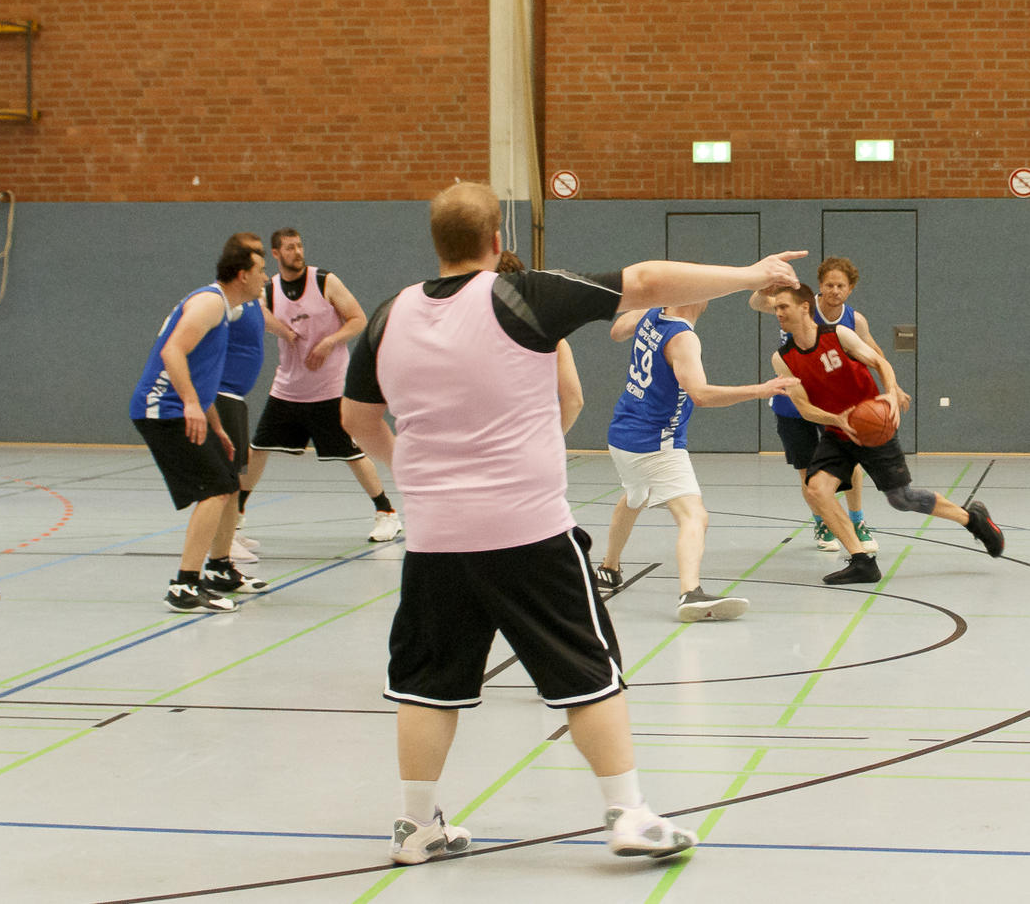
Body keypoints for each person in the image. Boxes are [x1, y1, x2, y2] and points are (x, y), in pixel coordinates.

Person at [341, 181, 805, 866]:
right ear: (496, 241)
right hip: (525, 528)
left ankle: (416, 826)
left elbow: (356, 421)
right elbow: (644, 280)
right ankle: (628, 813)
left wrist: (413, 471)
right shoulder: (518, 294)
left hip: (435, 535)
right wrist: (750, 275)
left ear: (435, 242)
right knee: (588, 670)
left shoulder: (388, 315)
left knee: (427, 681)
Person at [770, 284, 1004, 585]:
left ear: (804, 307)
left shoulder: (838, 335)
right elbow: (803, 408)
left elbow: (880, 362)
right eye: (776, 308)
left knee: (901, 499)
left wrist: (891, 393)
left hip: (872, 427)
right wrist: (835, 420)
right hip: (839, 431)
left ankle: (973, 520)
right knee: (816, 489)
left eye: (783, 307)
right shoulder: (783, 358)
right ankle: (862, 561)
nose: (777, 313)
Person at [597, 301, 799, 621]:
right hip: (656, 442)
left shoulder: (653, 314)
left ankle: (609, 567)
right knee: (695, 516)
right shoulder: (683, 338)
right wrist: (761, 390)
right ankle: (690, 592)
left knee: (635, 496)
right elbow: (701, 395)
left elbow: (616, 330)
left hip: (622, 435)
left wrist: (649, 313)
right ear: (696, 297)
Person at [129, 238, 269, 613]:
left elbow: (202, 373)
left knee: (227, 479)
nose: (266, 279)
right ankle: (184, 587)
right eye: (261, 271)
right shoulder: (209, 302)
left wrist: (215, 424)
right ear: (242, 275)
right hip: (163, 410)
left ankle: (220, 569)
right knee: (214, 488)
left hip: (186, 409)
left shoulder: (223, 308)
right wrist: (190, 403)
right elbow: (172, 351)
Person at [237, 228, 402, 543]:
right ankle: (237, 516)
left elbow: (358, 319)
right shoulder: (269, 289)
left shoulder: (325, 281)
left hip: (329, 388)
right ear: (275, 254)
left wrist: (329, 342)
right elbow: (256, 314)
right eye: (289, 248)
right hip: (288, 388)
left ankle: (387, 513)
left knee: (352, 453)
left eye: (299, 245)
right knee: (258, 449)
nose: (297, 252)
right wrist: (284, 332)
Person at [750, 256, 909, 554]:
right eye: (829, 285)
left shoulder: (853, 320)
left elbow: (873, 352)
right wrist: (765, 284)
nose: (834, 290)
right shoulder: (798, 306)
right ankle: (822, 521)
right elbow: (757, 302)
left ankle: (857, 521)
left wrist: (894, 387)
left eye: (840, 286)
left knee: (852, 463)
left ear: (849, 289)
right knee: (808, 470)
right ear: (819, 286)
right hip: (796, 402)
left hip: (836, 403)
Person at [211, 233, 299, 568]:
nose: (265, 273)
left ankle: (229, 533)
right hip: (222, 394)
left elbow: (262, 318)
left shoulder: (250, 299)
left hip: (236, 397)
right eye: (258, 262)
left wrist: (288, 333)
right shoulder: (225, 301)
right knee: (229, 474)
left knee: (239, 466)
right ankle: (223, 543)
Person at [496, 249, 584, 434]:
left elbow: (574, 401)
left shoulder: (469, 333)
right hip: (529, 448)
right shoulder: (550, 337)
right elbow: (574, 400)